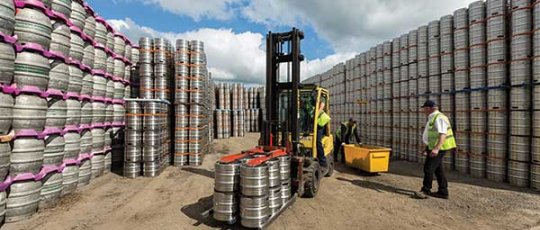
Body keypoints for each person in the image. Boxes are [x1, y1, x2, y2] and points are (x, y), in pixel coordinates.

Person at [420, 100, 457, 199]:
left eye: (424, 108)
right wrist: (427, 148)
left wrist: (436, 149)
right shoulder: (433, 117)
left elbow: (442, 134)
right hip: (433, 147)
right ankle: (443, 191)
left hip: (440, 148)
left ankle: (425, 190)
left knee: (428, 169)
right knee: (438, 170)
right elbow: (433, 135)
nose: (423, 110)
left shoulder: (439, 118)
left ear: (428, 108)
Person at [316, 101, 330, 168]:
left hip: (320, 123)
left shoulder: (316, 96)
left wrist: (316, 115)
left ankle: (323, 161)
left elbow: (322, 104)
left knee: (318, 142)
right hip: (314, 123)